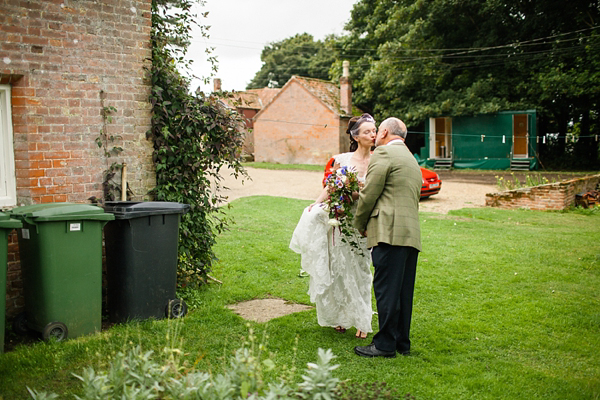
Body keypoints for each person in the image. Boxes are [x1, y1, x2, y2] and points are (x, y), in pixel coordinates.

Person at [289, 114, 377, 340]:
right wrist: (317, 204)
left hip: (365, 221)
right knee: (339, 269)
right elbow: (331, 187)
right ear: (356, 136)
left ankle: (362, 319)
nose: (373, 134)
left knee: (362, 271)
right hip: (342, 221)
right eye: (367, 131)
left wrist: (357, 192)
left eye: (374, 130)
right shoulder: (343, 160)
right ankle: (339, 317)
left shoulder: (379, 159)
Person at [352, 117, 422, 358]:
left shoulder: (383, 155)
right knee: (402, 291)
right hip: (410, 234)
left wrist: (360, 224)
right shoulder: (412, 159)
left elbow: (369, 193)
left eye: (377, 130)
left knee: (386, 290)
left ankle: (384, 345)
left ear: (383, 132)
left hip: (388, 232)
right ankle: (401, 342)